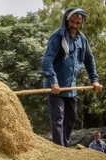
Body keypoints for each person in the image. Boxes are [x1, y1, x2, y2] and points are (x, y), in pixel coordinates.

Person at [41, 8, 102, 147]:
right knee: (58, 118)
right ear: (67, 21)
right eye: (72, 22)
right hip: (55, 86)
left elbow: (89, 60)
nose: (74, 25)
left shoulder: (82, 39)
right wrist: (53, 81)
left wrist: (94, 79)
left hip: (71, 87)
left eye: (78, 23)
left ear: (82, 23)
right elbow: (47, 60)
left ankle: (64, 146)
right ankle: (59, 148)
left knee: (71, 118)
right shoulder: (58, 36)